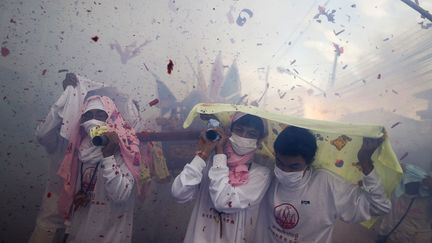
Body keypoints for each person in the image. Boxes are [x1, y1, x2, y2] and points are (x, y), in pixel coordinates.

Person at [254, 126, 392, 243]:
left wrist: (365, 159)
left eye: (294, 166)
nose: (285, 171)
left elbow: (380, 207)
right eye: (280, 163)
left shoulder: (326, 184)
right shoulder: (268, 169)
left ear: (309, 162)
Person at [171, 113, 272, 243]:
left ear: (258, 142)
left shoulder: (261, 174)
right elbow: (179, 193)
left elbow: (223, 202)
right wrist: (203, 154)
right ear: (229, 132)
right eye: (239, 130)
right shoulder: (210, 161)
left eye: (251, 134)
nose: (243, 137)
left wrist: (219, 153)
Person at [56, 95, 143, 243]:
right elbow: (76, 193)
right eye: (88, 115)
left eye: (100, 115)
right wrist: (69, 228)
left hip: (110, 235)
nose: (93, 120)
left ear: (111, 118)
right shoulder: (81, 150)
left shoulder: (126, 150)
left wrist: (108, 156)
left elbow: (120, 195)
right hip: (80, 232)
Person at [377, 163, 432, 243]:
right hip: (388, 236)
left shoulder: (428, 199)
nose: (409, 186)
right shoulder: (396, 190)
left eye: (413, 183)